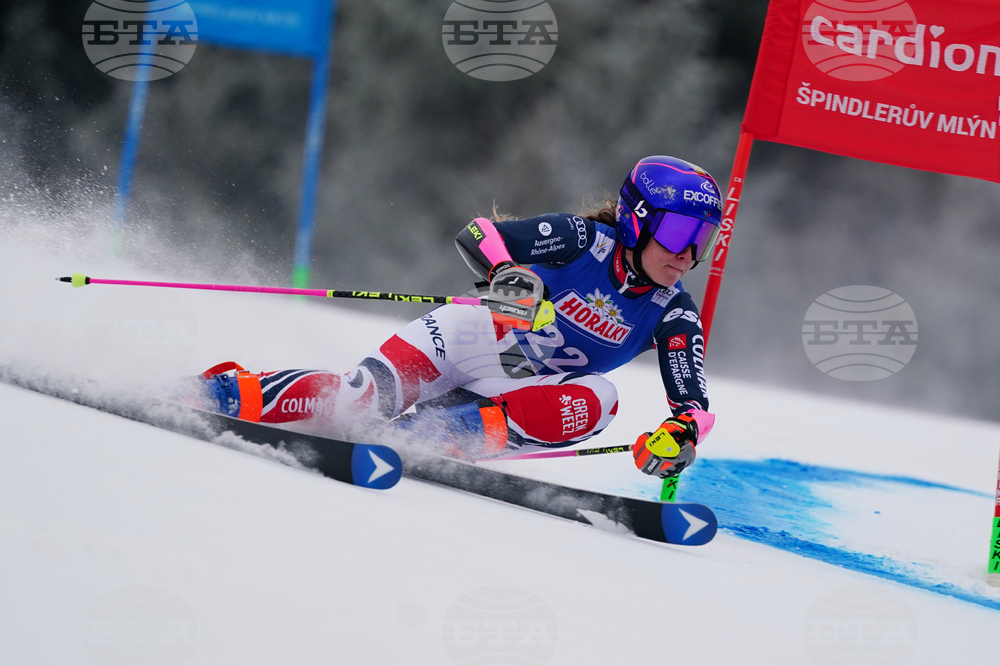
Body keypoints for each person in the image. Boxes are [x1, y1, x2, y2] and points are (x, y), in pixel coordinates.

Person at [197, 155, 720, 479]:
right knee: (358, 399)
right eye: (678, 233)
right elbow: (477, 234)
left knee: (601, 399)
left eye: (702, 241)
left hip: (516, 393)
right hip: (468, 340)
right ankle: (218, 393)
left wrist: (679, 437)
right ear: (636, 220)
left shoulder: (671, 311)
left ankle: (428, 438)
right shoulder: (584, 239)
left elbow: (693, 407)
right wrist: (507, 275)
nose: (687, 254)